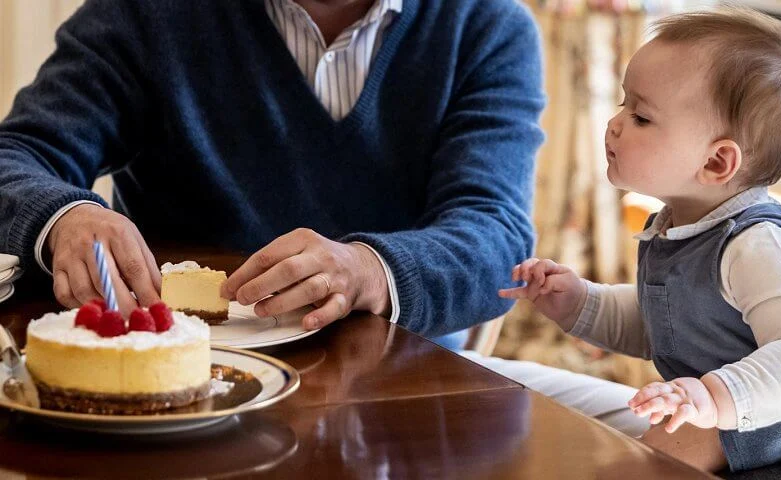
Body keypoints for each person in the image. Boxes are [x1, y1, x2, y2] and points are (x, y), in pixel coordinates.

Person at [0, 0, 649, 441]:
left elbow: (495, 240)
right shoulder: (147, 14)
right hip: (180, 395)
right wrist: (65, 215)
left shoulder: (484, 23)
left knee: (677, 435)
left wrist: (366, 269)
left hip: (399, 395)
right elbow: (16, 154)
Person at [499, 7, 781, 473]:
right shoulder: (680, 226)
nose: (615, 123)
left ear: (717, 163)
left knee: (652, 455)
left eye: (640, 116)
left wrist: (711, 397)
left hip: (774, 423)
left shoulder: (757, 244)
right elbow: (665, 324)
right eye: (623, 103)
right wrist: (580, 303)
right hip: (714, 414)